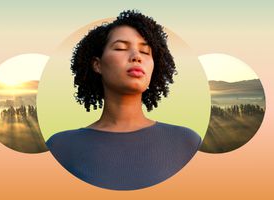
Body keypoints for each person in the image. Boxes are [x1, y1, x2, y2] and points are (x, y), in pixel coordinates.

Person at [46, 10, 201, 190]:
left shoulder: (186, 143)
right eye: (120, 48)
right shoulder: (61, 147)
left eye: (145, 51)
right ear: (97, 65)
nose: (136, 56)